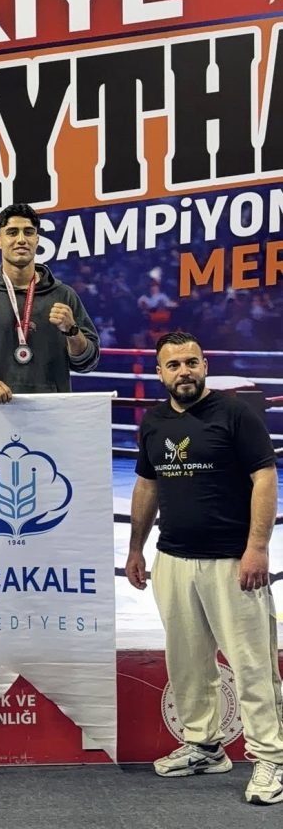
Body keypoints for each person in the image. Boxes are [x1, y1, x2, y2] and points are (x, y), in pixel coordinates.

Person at [125, 331, 283, 805]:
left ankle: (272, 757)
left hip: (232, 561)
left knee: (252, 664)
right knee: (188, 664)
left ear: (204, 365)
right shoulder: (154, 422)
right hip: (173, 559)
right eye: (173, 365)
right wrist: (136, 549)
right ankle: (204, 746)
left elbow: (264, 477)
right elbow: (147, 486)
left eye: (191, 362)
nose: (184, 372)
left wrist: (257, 548)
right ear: (160, 373)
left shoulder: (236, 413)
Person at [0, 203, 99, 401]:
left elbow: (88, 362)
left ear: (37, 240)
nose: (21, 239)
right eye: (12, 232)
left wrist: (72, 331)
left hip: (50, 413)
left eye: (29, 232)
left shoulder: (64, 295)